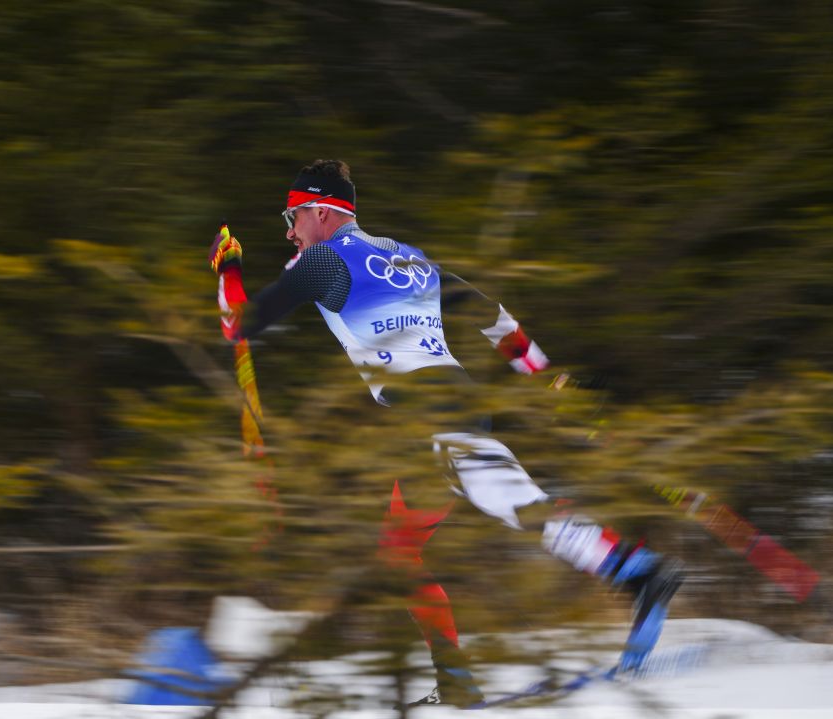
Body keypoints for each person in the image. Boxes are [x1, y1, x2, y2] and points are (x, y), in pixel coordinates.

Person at [208, 159, 684, 708]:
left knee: (512, 502)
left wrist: (228, 268)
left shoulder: (321, 261)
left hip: (427, 413)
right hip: (445, 407)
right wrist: (552, 379)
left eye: (293, 216)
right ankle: (456, 681)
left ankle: (638, 572)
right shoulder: (406, 253)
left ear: (320, 211)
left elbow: (236, 325)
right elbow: (493, 317)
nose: (289, 230)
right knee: (398, 555)